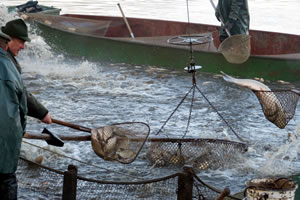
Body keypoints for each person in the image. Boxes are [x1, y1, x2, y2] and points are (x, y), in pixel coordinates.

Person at [1, 19, 52, 124]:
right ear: (9, 39)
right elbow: (19, 92)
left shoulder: (6, 57)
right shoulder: (5, 61)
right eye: (21, 42)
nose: (23, 47)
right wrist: (42, 113)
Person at [0, 30, 27, 200]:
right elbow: (23, 110)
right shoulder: (12, 68)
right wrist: (19, 134)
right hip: (8, 143)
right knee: (7, 180)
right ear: (5, 46)